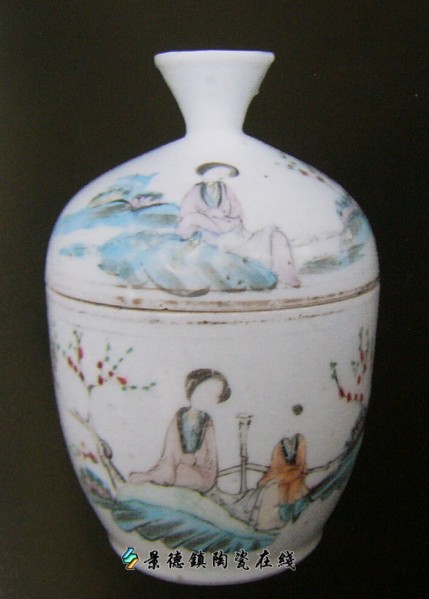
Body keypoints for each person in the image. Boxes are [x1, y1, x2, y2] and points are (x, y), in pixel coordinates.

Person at [177, 166, 300, 287]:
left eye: (222, 175)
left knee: (276, 236)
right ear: (207, 174)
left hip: (237, 234)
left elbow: (237, 211)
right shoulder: (195, 192)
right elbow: (186, 218)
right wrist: (209, 216)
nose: (220, 176)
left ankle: (286, 277)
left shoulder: (225, 189)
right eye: (218, 173)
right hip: (212, 240)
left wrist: (225, 217)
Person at [129, 369, 230, 493]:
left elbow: (211, 458)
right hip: (175, 466)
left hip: (201, 473)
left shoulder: (207, 422)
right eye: (204, 391)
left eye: (214, 395)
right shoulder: (180, 417)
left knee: (183, 473)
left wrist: (195, 459)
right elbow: (170, 450)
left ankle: (157, 477)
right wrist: (175, 463)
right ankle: (161, 476)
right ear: (192, 388)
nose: (207, 397)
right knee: (172, 468)